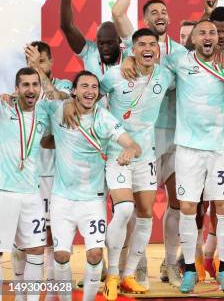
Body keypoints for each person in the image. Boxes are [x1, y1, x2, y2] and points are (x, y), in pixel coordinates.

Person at [162, 19, 224, 293]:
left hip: (221, 148)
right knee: (189, 208)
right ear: (194, 39)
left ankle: (223, 269)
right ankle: (190, 268)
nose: (208, 37)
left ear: (219, 38)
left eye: (213, 32)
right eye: (203, 33)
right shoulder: (180, 61)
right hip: (188, 148)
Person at [112, 0, 187, 287]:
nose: (159, 15)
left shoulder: (181, 52)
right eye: (153, 11)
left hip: (178, 138)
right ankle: (135, 266)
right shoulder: (137, 45)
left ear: (169, 19)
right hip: (141, 141)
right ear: (145, 21)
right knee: (134, 207)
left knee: (178, 205)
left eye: (163, 12)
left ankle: (170, 264)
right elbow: (117, 12)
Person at [40, 70, 141, 301]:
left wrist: (129, 150)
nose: (90, 91)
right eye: (84, 86)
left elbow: (133, 144)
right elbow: (47, 94)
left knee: (95, 254)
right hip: (62, 200)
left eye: (94, 87)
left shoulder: (104, 118)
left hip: (92, 201)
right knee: (61, 256)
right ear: (74, 90)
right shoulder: (58, 110)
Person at [97, 29, 175, 298]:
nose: (148, 48)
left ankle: (129, 274)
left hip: (146, 155)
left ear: (159, 48)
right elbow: (92, 101)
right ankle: (113, 274)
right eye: (141, 44)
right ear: (132, 49)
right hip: (118, 154)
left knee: (144, 213)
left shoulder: (165, 75)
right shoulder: (114, 74)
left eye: (152, 44)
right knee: (124, 210)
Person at [0, 68, 51, 301]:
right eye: (25, 85)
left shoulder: (43, 114)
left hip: (32, 193)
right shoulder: (4, 109)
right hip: (4, 193)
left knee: (36, 250)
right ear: (17, 88)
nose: (31, 89)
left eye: (34, 84)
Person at [23, 42, 72, 284]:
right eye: (31, 62)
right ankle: (27, 286)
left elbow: (59, 103)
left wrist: (37, 72)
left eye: (41, 61)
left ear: (51, 62)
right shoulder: (21, 90)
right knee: (29, 233)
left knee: (55, 231)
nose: (35, 67)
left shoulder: (63, 87)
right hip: (30, 173)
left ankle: (54, 282)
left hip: (57, 170)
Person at [57, 0, 127, 80]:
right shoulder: (90, 51)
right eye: (101, 43)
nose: (105, 48)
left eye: (110, 43)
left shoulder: (130, 54)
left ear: (119, 41)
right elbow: (67, 27)